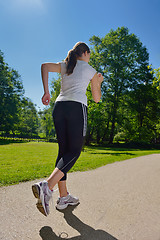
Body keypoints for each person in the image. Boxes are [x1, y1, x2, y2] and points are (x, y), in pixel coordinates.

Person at [32, 42, 103, 216]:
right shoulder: (89, 69)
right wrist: (98, 82)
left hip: (59, 107)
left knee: (64, 152)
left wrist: (46, 92)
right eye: (89, 55)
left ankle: (63, 197)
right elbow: (96, 98)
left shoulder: (66, 65)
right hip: (76, 108)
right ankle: (46, 186)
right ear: (85, 53)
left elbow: (44, 66)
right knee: (75, 151)